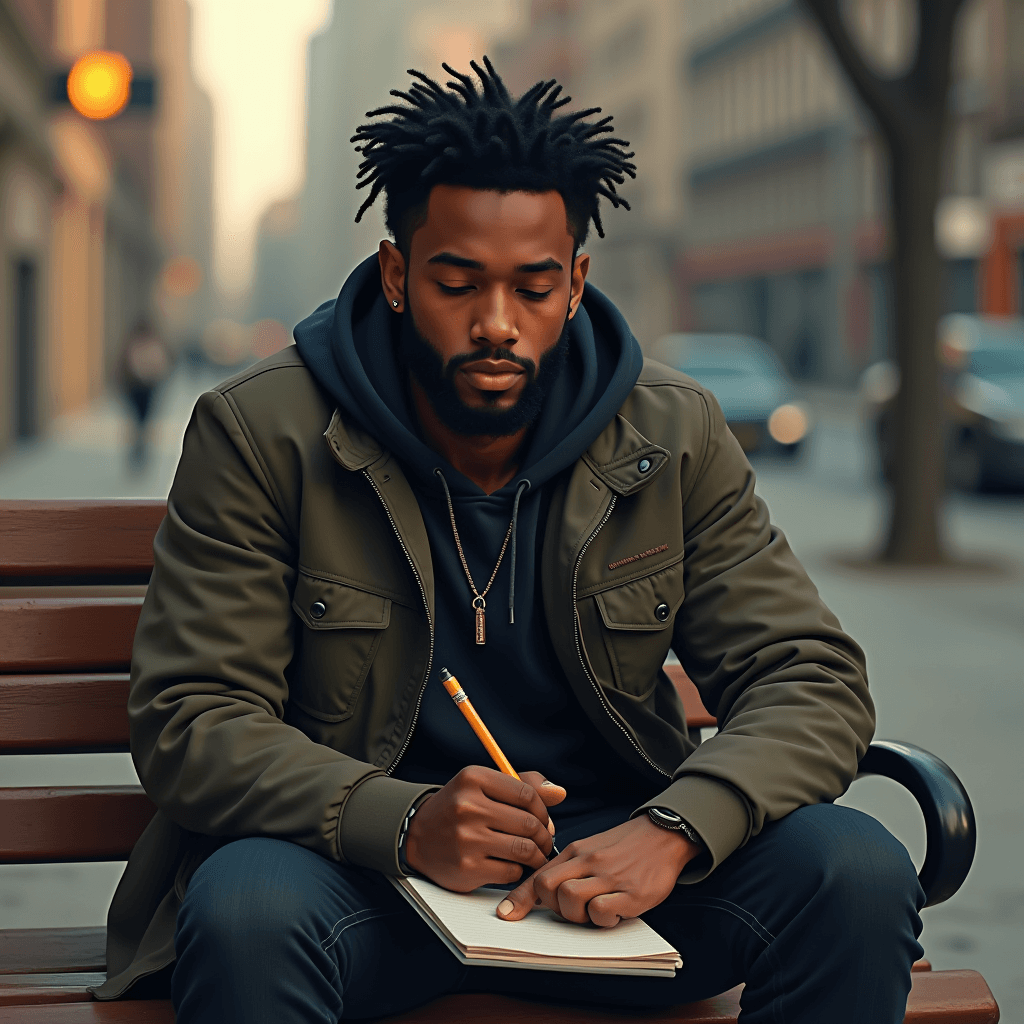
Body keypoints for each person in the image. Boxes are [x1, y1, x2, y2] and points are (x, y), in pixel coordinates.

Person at [93, 59, 923, 1022]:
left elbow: (809, 674)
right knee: (247, 907)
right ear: (398, 274)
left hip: (619, 879)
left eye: (533, 288)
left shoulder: (673, 433)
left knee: (854, 868)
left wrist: (676, 828)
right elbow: (193, 717)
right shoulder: (262, 431)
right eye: (458, 283)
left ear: (575, 283)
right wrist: (400, 819)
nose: (497, 324)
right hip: (366, 881)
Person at [118, 318, 172, 473]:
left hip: (146, 387)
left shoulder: (143, 344)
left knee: (142, 423)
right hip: (139, 387)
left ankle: (140, 452)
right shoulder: (137, 344)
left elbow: (162, 364)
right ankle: (138, 452)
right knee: (141, 422)